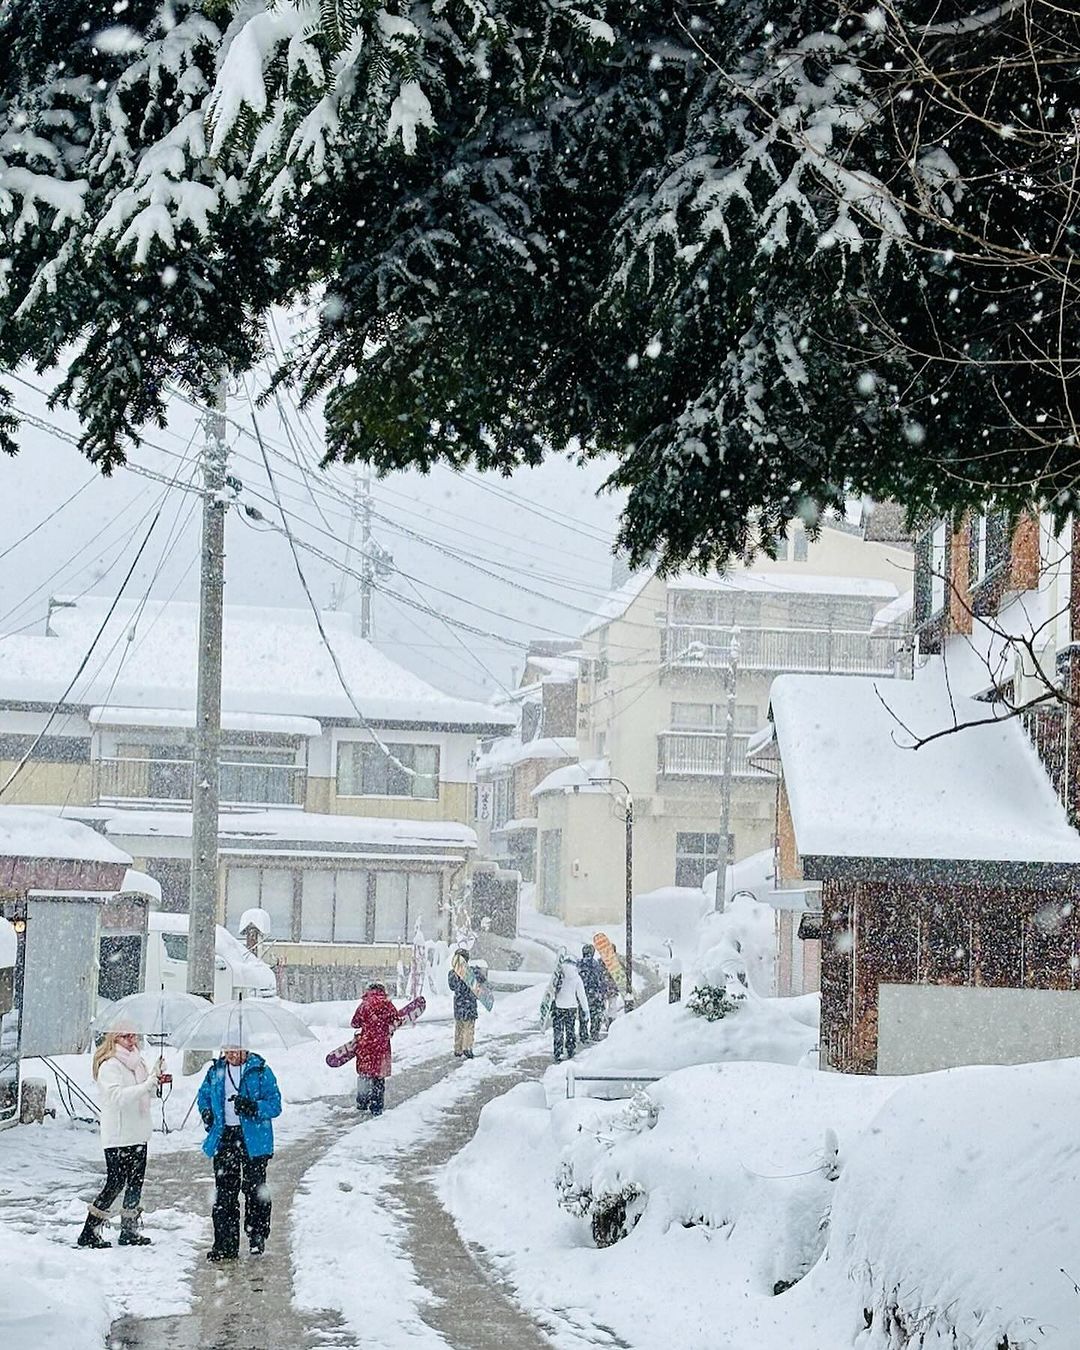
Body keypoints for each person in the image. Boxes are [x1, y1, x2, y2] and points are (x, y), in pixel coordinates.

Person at [78, 1029, 162, 1249]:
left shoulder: (138, 1063)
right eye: (125, 1036)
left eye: (134, 1035)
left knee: (135, 1183)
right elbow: (117, 1098)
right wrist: (146, 1084)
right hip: (118, 1134)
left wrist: (156, 1080)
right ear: (113, 1038)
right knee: (115, 1183)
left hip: (138, 1131)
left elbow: (145, 1095)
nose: (131, 1040)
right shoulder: (110, 1065)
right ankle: (90, 1231)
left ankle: (129, 1229)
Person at [197, 1045, 282, 1262]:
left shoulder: (260, 1070)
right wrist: (206, 1112)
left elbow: (275, 1104)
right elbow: (203, 1095)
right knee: (224, 1192)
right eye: (228, 1050)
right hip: (225, 1136)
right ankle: (225, 1244)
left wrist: (253, 1107)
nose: (232, 1055)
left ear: (246, 1049)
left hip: (253, 1138)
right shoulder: (216, 1071)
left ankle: (257, 1234)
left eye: (237, 1050)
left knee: (255, 1189)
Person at [350, 982, 423, 1115]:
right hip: (381, 1045)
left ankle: (362, 1102)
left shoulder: (364, 1005)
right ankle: (376, 1106)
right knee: (378, 1075)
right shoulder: (387, 1004)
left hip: (365, 1045)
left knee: (364, 1074)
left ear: (369, 990)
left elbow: (354, 1023)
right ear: (382, 990)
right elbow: (397, 1019)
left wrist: (367, 1023)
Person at [552, 953, 589, 1063]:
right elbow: (581, 995)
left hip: (558, 1006)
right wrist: (586, 1010)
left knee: (558, 1030)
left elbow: (550, 990)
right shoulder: (576, 977)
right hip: (571, 1007)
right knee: (570, 1029)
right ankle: (570, 1049)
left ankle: (558, 1051)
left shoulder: (558, 974)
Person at [448, 948, 479, 1058]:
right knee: (469, 1027)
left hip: (458, 1004)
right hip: (469, 1003)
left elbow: (452, 987)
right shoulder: (472, 972)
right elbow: (481, 981)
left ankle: (458, 1049)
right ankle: (467, 1047)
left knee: (459, 1027)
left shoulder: (452, 974)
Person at [578, 944, 609, 1043]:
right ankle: (594, 1033)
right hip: (594, 995)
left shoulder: (578, 964)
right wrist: (602, 993)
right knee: (595, 1016)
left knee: (583, 1015)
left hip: (582, 994)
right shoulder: (596, 965)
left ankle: (583, 1034)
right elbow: (601, 981)